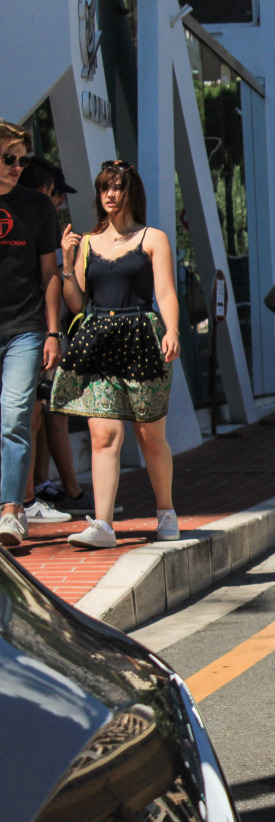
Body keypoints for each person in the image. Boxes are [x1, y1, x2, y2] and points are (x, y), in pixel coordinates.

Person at [50, 159, 182, 549]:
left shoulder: (152, 237)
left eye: (117, 187)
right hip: (99, 337)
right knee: (104, 433)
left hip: (142, 334)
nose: (110, 194)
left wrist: (172, 329)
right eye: (105, 187)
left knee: (149, 434)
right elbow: (77, 304)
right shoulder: (88, 241)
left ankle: (166, 511)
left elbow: (167, 293)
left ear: (131, 192)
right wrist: (68, 262)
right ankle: (103, 525)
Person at [17, 157, 95, 522]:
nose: (59, 202)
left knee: (44, 410)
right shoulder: (29, 222)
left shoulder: (41, 224)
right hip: (29, 330)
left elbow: (60, 285)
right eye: (54, 194)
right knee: (34, 414)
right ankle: (29, 496)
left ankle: (39, 489)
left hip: (40, 331)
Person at [0, 121, 64, 547]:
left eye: (21, 159)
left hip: (24, 328)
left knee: (14, 415)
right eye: (8, 158)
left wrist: (53, 331)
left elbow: (50, 273)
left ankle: (11, 510)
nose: (17, 167)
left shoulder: (39, 209)